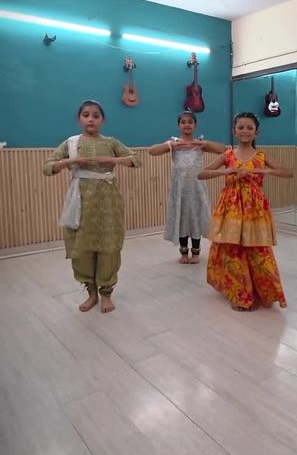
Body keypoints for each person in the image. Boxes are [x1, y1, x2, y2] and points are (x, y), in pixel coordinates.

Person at [43, 100, 140, 313]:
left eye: (96, 115)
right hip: (81, 203)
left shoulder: (111, 142)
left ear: (102, 120)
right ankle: (91, 293)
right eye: (86, 115)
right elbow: (47, 167)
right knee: (82, 247)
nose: (91, 119)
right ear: (79, 118)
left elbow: (136, 159)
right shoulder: (71, 143)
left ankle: (106, 293)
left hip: (108, 203)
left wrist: (113, 160)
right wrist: (69, 162)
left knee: (109, 245)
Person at [198, 112, 292, 311]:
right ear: (234, 131)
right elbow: (202, 174)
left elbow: (287, 172)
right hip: (230, 206)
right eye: (241, 127)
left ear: (257, 132)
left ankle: (262, 290)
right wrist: (225, 171)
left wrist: (266, 170)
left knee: (258, 248)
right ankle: (240, 294)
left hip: (254, 208)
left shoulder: (262, 156)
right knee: (232, 249)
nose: (245, 131)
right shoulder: (228, 155)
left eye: (250, 128)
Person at [149, 110, 226, 264]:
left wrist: (205, 144)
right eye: (183, 122)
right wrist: (170, 145)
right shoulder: (174, 143)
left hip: (197, 188)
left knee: (196, 217)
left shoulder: (200, 143)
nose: (187, 125)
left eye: (190, 122)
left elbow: (224, 150)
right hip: (179, 190)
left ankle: (196, 252)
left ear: (195, 125)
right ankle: (183, 252)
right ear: (178, 125)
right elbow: (152, 151)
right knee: (182, 217)